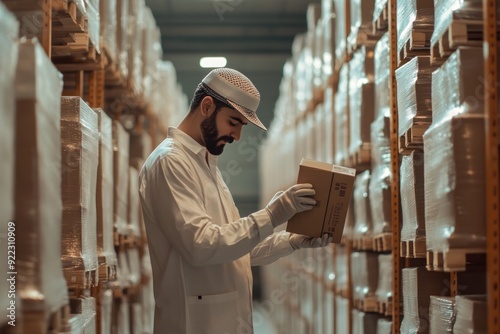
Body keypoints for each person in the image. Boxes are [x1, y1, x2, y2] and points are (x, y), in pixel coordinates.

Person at [138, 68, 331, 334]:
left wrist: (290, 240)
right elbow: (202, 245)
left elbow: (235, 250)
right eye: (233, 122)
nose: (237, 136)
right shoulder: (170, 162)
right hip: (193, 324)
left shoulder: (206, 166)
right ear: (207, 106)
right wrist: (272, 215)